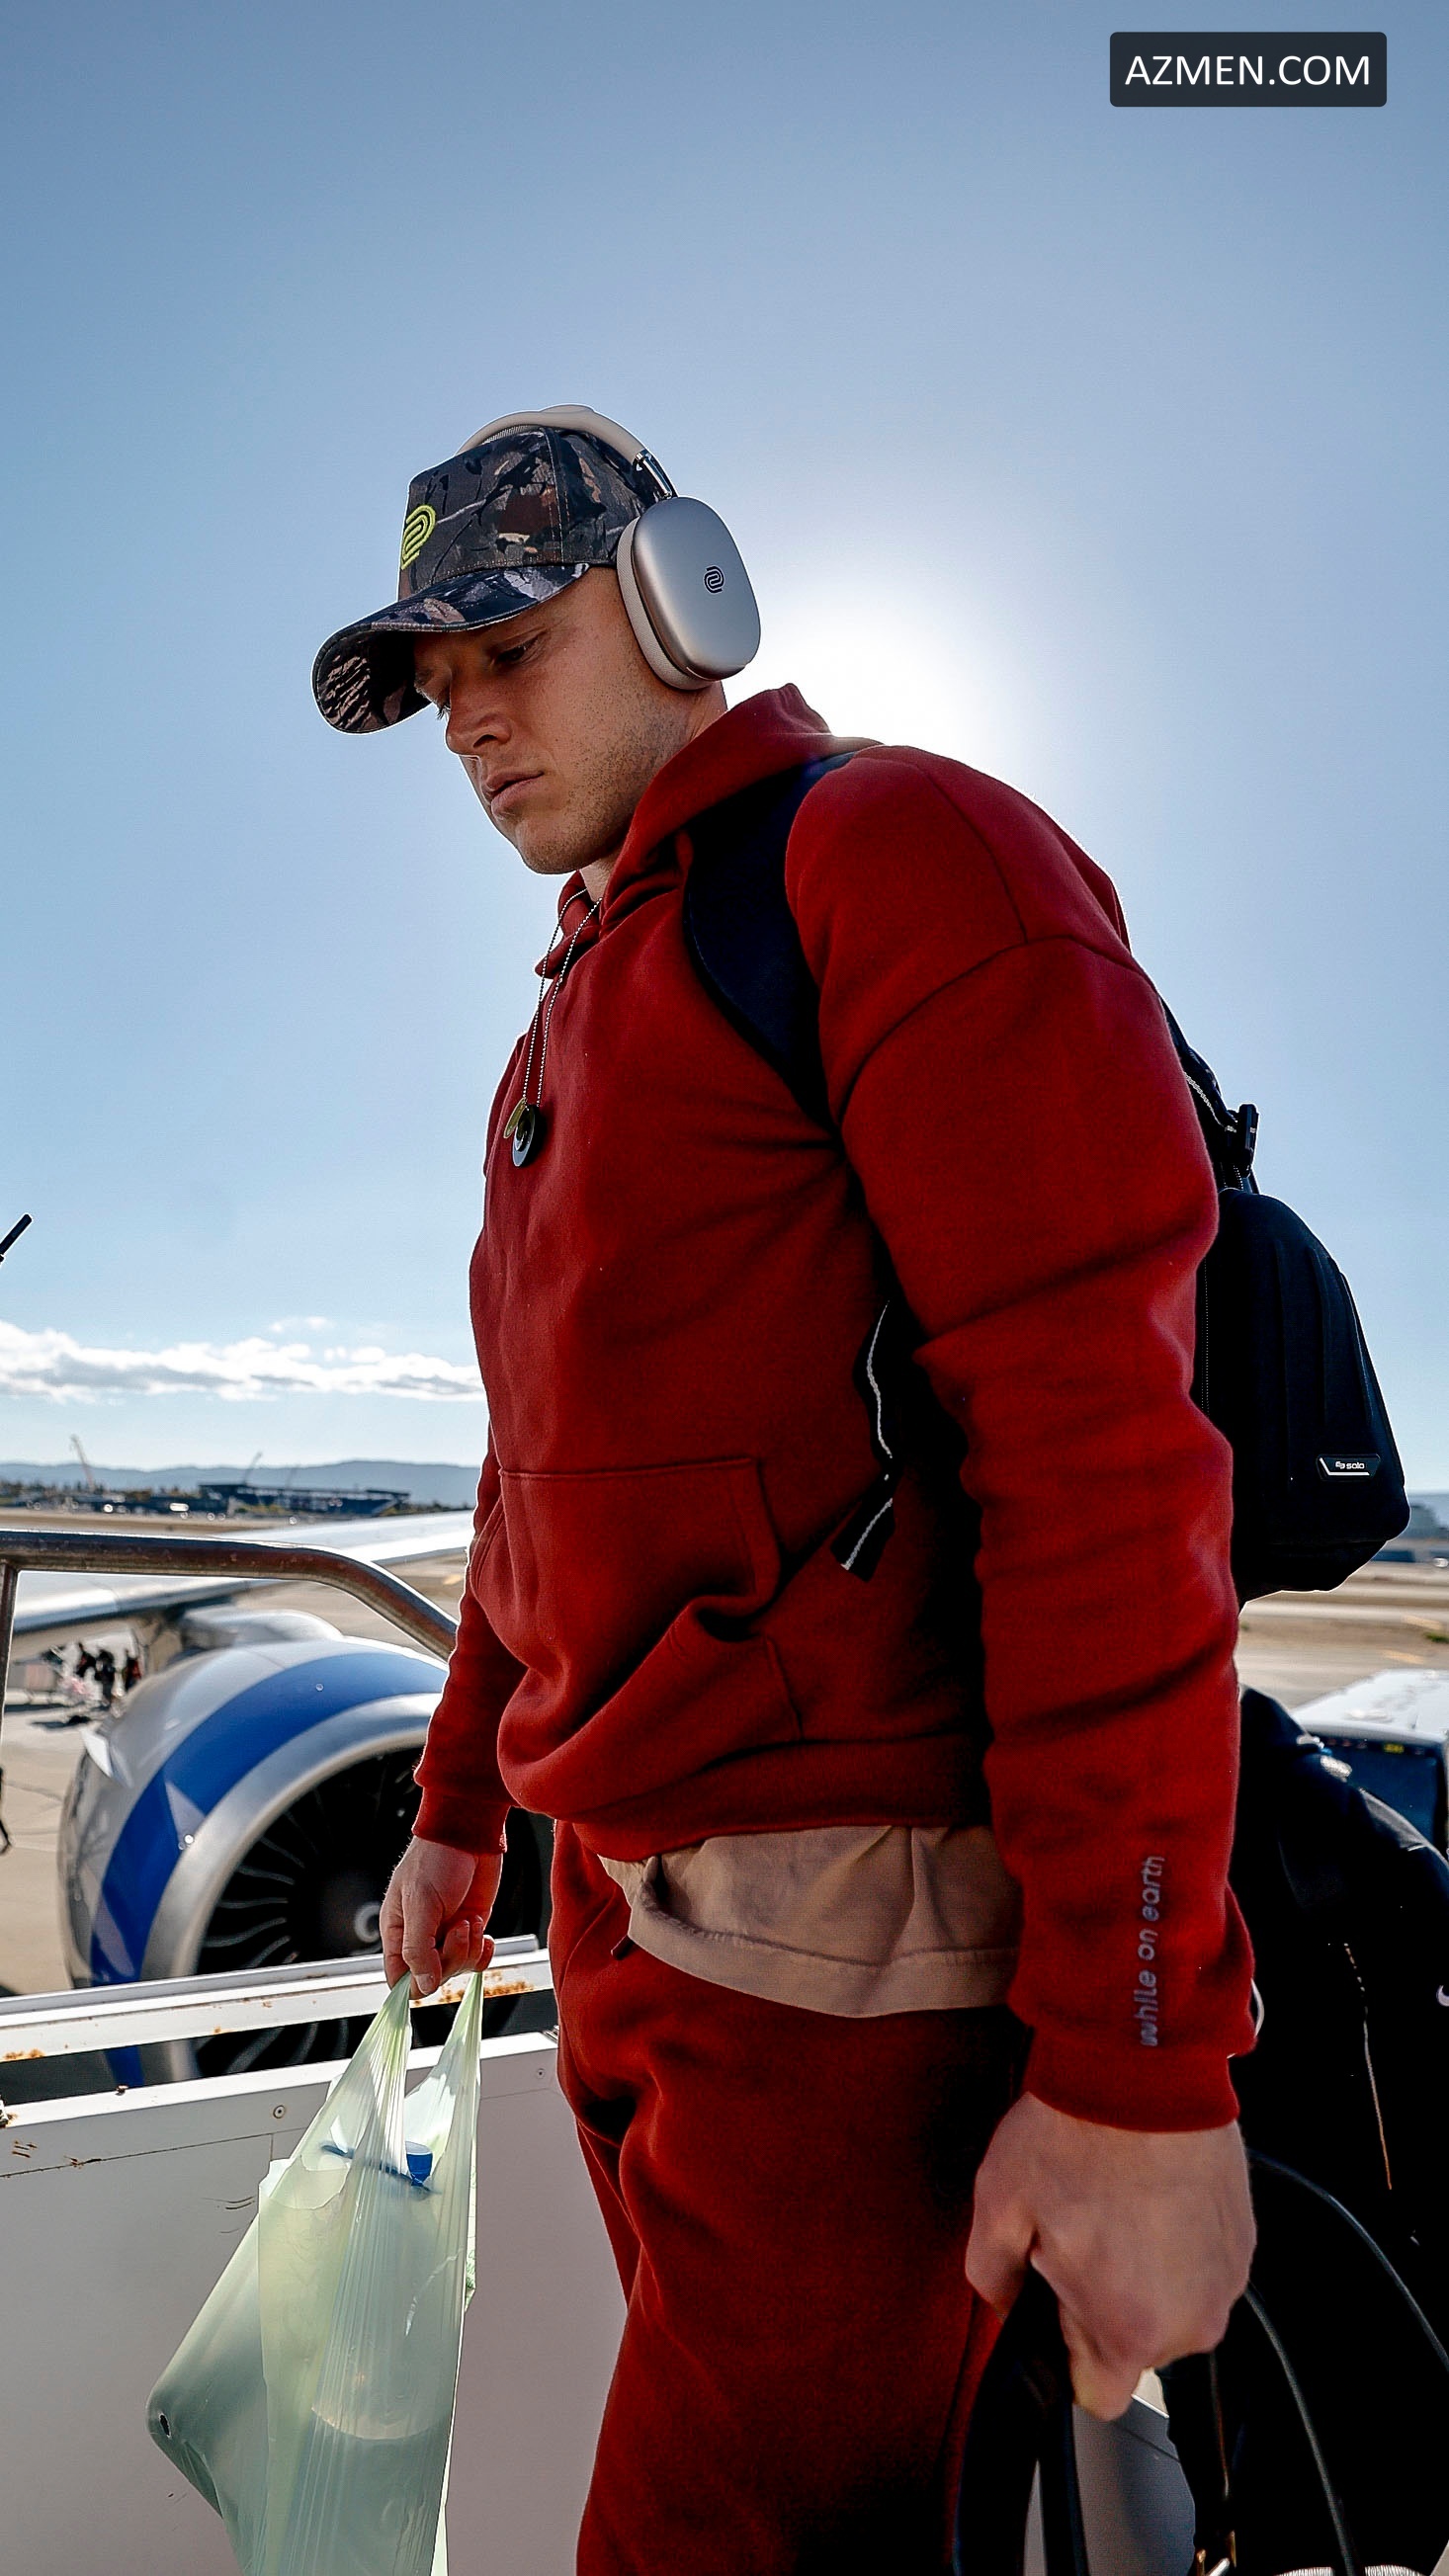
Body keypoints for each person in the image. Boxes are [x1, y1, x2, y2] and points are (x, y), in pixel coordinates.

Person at [314, 410, 1255, 2572]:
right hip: (623, 1921)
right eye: (433, 686)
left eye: (508, 648)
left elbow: (1104, 1454)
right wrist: (461, 1807)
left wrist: (1138, 2067)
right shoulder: (568, 1018)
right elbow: (529, 1481)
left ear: (685, 602)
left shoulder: (898, 855)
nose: (464, 721)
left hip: (845, 1958)